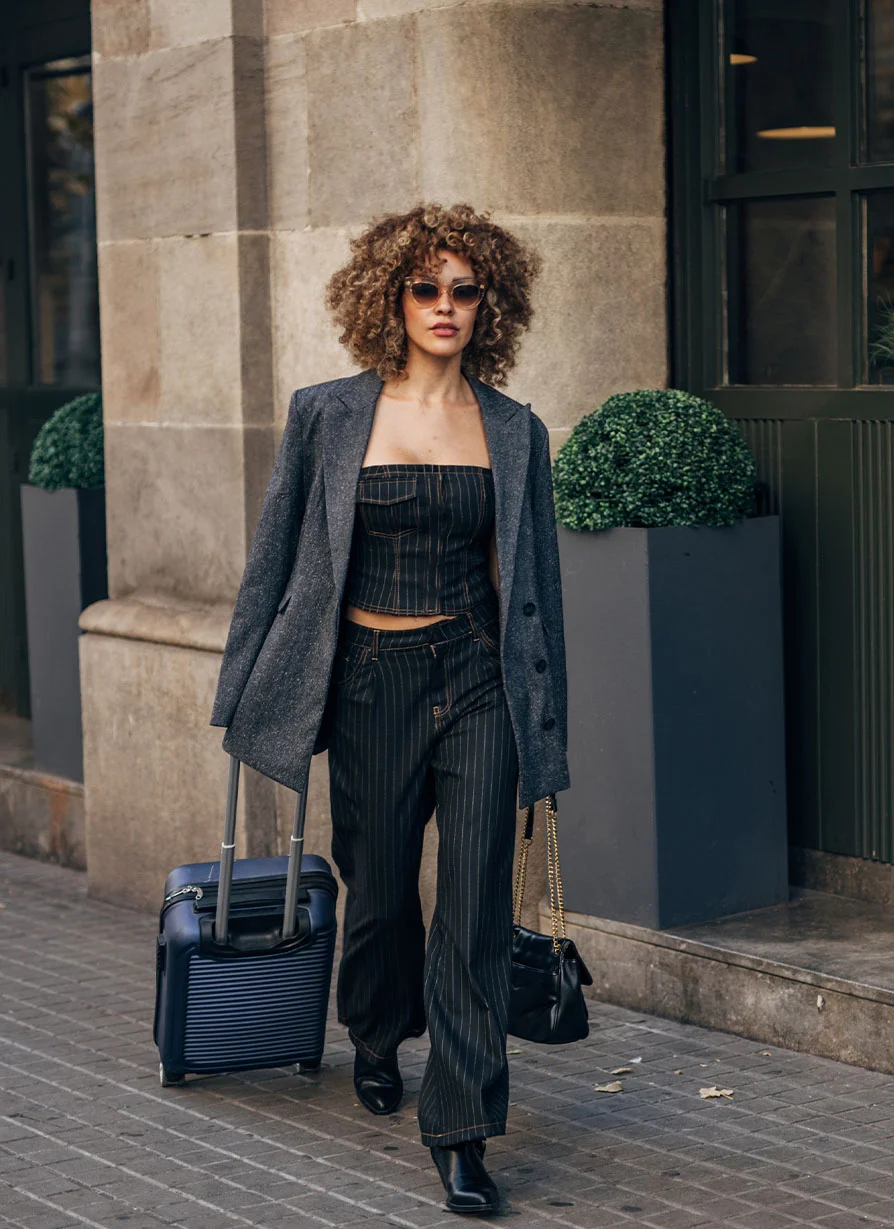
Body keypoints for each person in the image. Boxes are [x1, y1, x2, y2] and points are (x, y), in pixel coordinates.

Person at [210, 202, 570, 1216]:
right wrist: (241, 685)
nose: (445, 306)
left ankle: (460, 1128)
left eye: (464, 290)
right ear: (391, 298)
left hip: (477, 681)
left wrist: (546, 725)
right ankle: (375, 1029)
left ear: (487, 302)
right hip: (367, 677)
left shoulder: (514, 428)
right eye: (426, 288)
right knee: (374, 890)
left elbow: (534, 588)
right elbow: (275, 557)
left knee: (471, 909)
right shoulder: (330, 412)